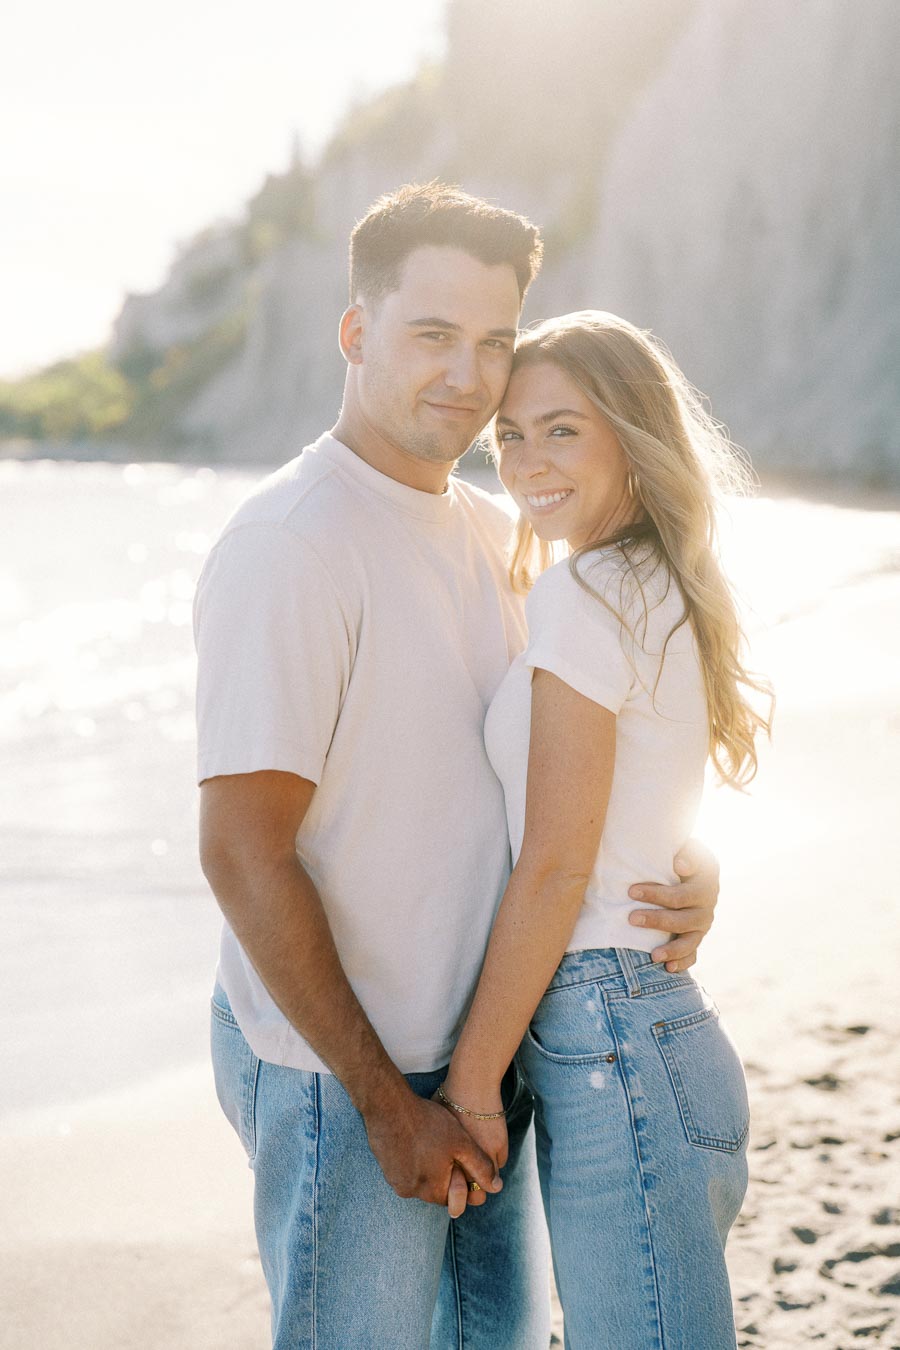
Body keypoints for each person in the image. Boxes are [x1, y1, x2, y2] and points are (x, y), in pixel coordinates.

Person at [193, 185, 722, 1350]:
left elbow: (576, 766)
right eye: (433, 334)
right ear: (355, 331)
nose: (469, 376)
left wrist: (692, 866)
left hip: (484, 1064)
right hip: (351, 1077)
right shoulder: (292, 547)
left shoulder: (498, 536)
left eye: (494, 343)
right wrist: (385, 1103)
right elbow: (240, 852)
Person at [440, 310, 774, 1349]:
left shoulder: (585, 591)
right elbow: (652, 808)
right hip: (649, 1033)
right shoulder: (651, 582)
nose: (528, 462)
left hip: (611, 1038)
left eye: (562, 430)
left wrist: (470, 1080)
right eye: (510, 437)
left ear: (631, 432)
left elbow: (555, 867)